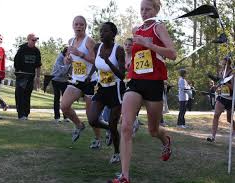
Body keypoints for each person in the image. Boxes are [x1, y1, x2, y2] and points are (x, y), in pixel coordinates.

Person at [109, 0, 177, 182]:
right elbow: (137, 55)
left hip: (154, 83)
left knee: (153, 130)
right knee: (125, 126)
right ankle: (124, 176)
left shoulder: (158, 27)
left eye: (148, 9)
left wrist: (150, 44)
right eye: (141, 9)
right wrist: (131, 53)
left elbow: (172, 53)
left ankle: (165, 140)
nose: (144, 12)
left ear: (156, 9)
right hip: (136, 81)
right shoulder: (136, 29)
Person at [87, 22, 125, 163]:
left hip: (116, 89)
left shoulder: (119, 50)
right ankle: (108, 129)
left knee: (113, 124)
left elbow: (122, 75)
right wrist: (89, 75)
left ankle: (116, 153)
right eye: (100, 31)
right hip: (102, 87)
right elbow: (96, 65)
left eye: (105, 31)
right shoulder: (97, 47)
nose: (101, 34)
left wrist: (108, 61)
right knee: (92, 119)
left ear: (113, 34)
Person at [60, 16, 101, 144]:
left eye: (81, 25)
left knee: (91, 116)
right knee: (64, 106)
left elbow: (97, 62)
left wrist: (81, 54)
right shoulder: (71, 41)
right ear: (73, 26)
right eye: (76, 24)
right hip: (76, 80)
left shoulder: (89, 41)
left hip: (90, 81)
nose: (78, 27)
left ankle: (97, 138)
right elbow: (67, 58)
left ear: (85, 26)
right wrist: (67, 60)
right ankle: (79, 125)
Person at [207, 56, 235, 142]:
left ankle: (234, 128)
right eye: (222, 63)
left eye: (225, 64)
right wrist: (216, 86)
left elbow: (233, 87)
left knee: (229, 119)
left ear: (229, 64)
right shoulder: (221, 72)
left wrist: (225, 82)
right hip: (222, 97)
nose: (223, 65)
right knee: (216, 115)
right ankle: (213, 136)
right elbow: (220, 82)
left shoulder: (232, 73)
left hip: (231, 99)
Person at [14, 33, 41, 120]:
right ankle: (20, 114)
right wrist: (19, 72)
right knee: (20, 95)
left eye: (36, 40)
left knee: (27, 95)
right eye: (33, 40)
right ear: (28, 40)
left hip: (31, 76)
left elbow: (38, 65)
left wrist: (38, 77)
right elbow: (16, 62)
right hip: (22, 76)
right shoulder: (22, 49)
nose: (34, 42)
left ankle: (26, 114)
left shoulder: (36, 51)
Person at [51, 46, 71, 123]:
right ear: (65, 52)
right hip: (56, 80)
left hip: (64, 81)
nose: (70, 54)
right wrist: (68, 64)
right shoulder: (59, 58)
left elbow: (69, 72)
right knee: (57, 98)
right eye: (69, 52)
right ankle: (57, 117)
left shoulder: (70, 58)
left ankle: (66, 117)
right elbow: (62, 71)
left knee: (65, 100)